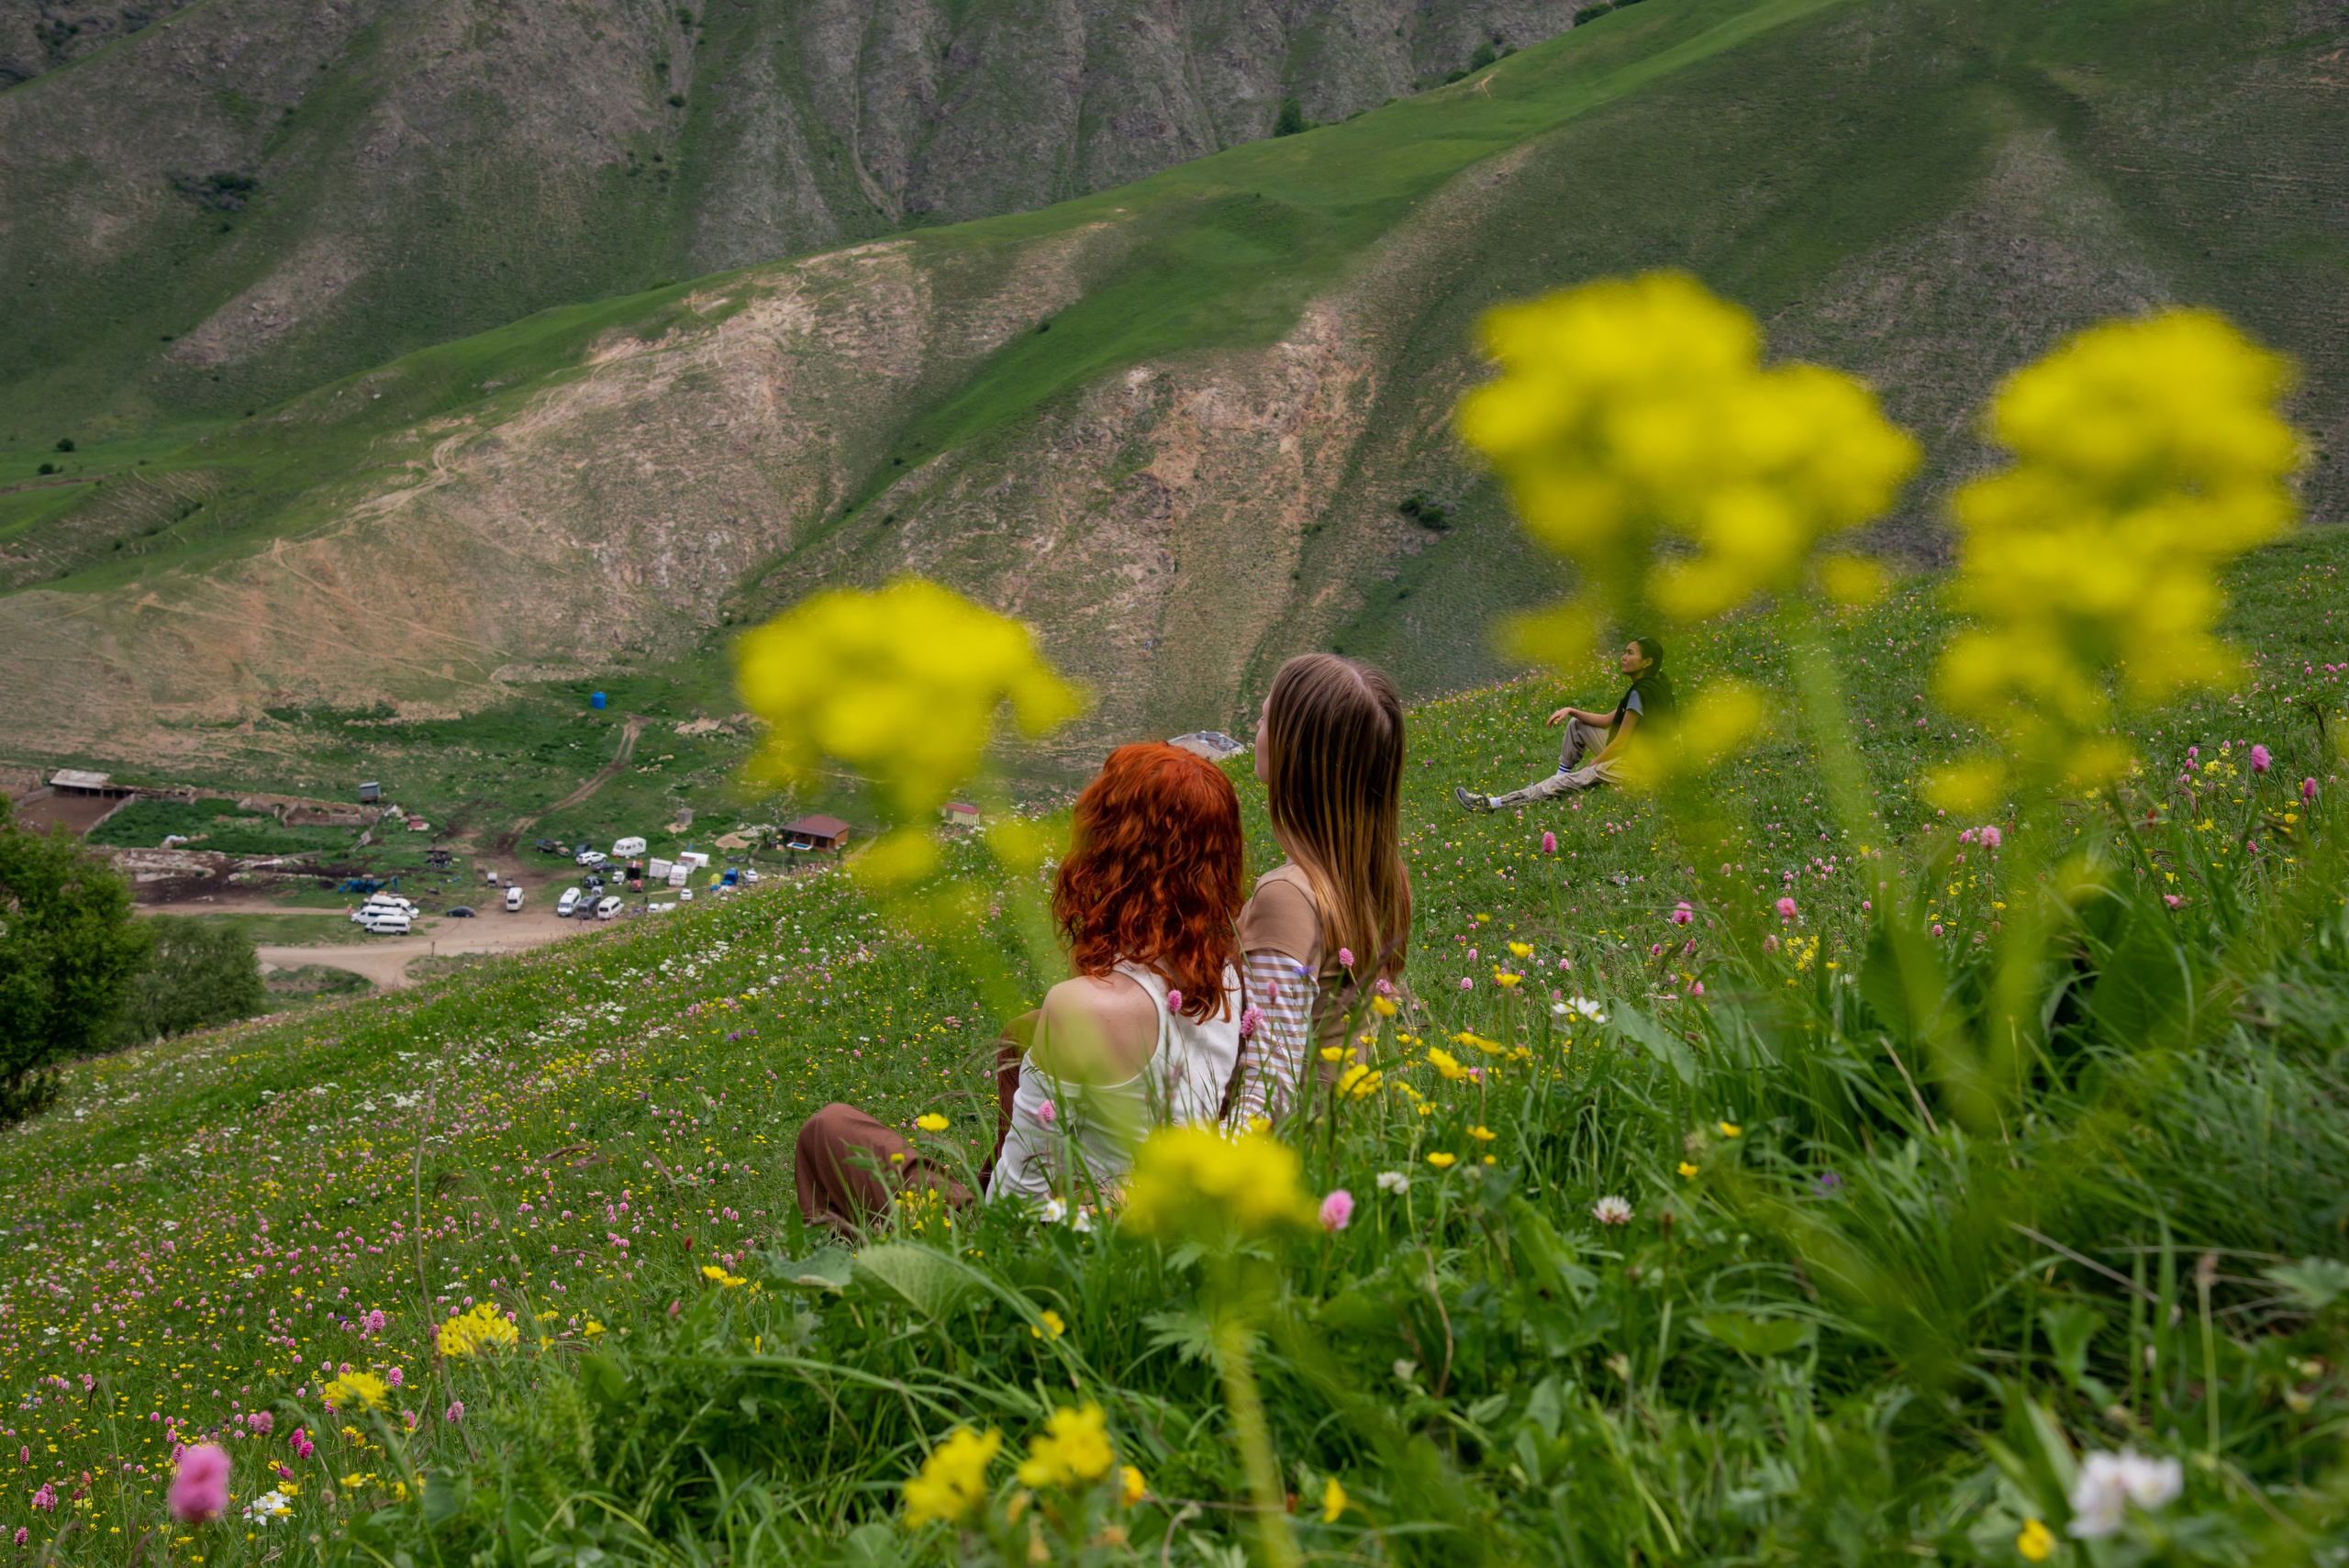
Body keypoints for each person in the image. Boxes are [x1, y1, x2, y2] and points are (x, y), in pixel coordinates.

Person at [793, 741, 1246, 1229]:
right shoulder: (1225, 977)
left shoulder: (1085, 1008)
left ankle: (862, 1270)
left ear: (1110, 850)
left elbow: (1013, 1212)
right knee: (1019, 1035)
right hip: (1152, 1224)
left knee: (829, 1129)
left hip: (1051, 1246)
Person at [1226, 653, 1413, 1126]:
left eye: (1266, 718)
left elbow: (1269, 1089)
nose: (1257, 728)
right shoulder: (1381, 873)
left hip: (1297, 1145)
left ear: (1296, 751)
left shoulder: (1288, 896)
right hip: (1345, 1130)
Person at [1453, 636, 1675, 812]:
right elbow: (1608, 720)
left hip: (1637, 767)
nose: (1623, 657)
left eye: (1630, 653)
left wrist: (1591, 767)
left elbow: (1620, 743)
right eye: (1625, 652)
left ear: (1647, 662)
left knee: (1574, 779)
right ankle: (1560, 777)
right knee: (1577, 724)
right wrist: (1570, 710)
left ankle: (1492, 804)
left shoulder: (1640, 693)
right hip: (1643, 759)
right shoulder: (1653, 687)